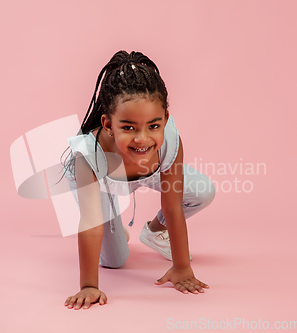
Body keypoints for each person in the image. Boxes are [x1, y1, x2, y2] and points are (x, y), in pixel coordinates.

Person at [61, 50, 216, 310]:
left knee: (203, 191)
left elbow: (172, 205)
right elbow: (89, 223)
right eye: (129, 127)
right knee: (115, 260)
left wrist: (181, 267)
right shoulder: (87, 155)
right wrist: (89, 285)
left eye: (153, 126)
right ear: (108, 124)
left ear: (165, 120)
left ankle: (154, 232)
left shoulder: (169, 141)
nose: (142, 138)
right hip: (103, 180)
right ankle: (112, 224)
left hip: (147, 171)